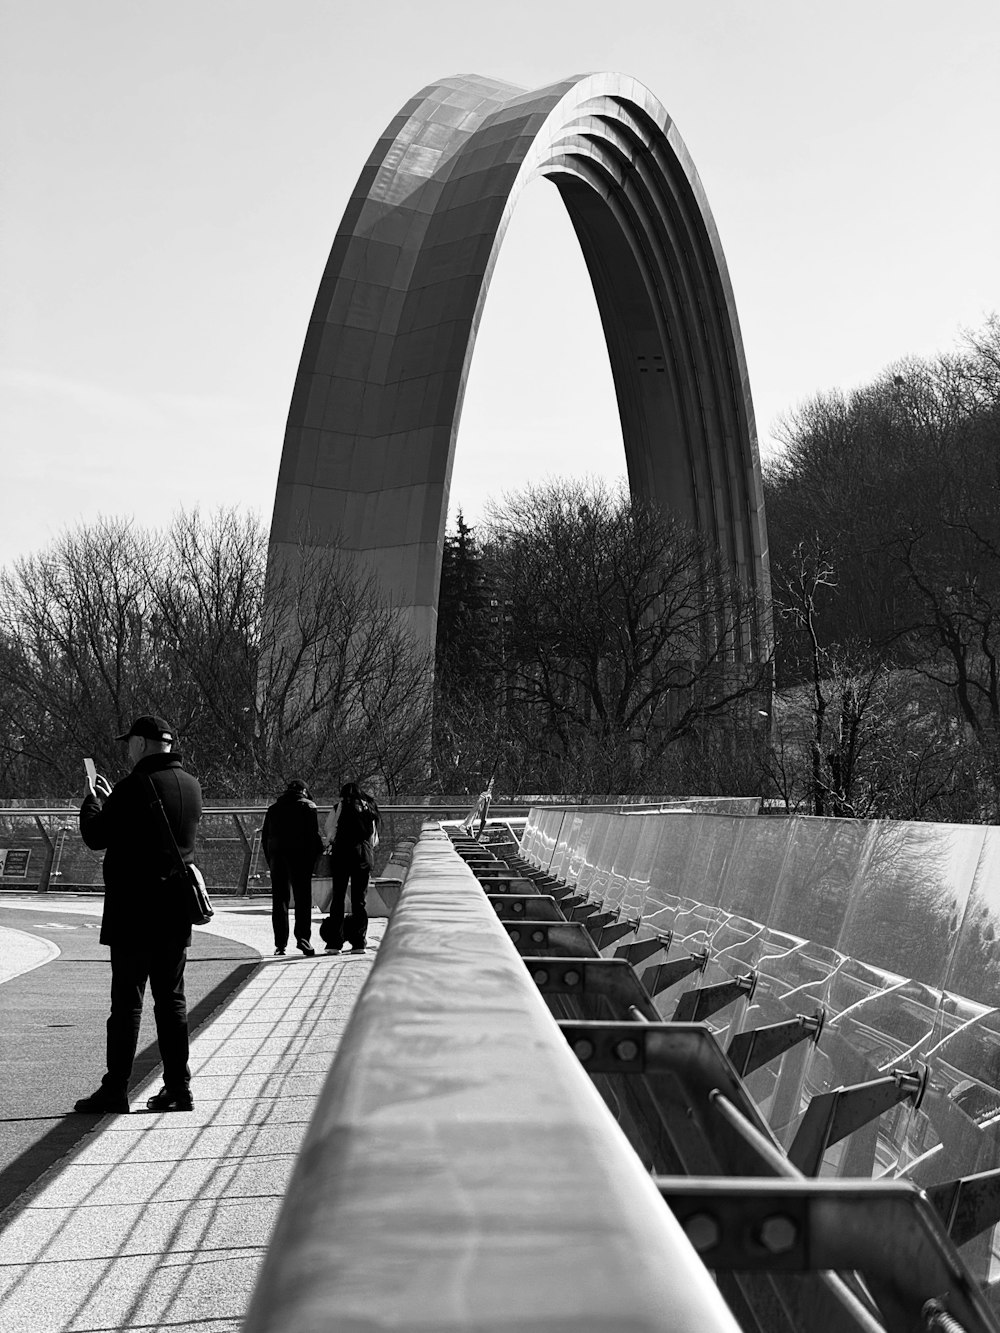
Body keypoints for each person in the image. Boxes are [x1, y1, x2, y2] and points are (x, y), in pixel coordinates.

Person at [75, 714, 202, 1114]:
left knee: (127, 1003)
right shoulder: (191, 785)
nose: (127, 748)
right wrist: (116, 801)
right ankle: (178, 1087)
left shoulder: (134, 787)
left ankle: (115, 1089)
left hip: (134, 912)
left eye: (130, 741)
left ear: (144, 743)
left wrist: (93, 799)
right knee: (171, 1001)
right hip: (174, 910)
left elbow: (97, 836)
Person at [261, 779, 324, 957]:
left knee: (280, 900)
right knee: (302, 899)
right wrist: (314, 860)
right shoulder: (308, 807)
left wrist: (270, 859)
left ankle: (280, 944)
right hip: (301, 859)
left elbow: (266, 837)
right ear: (304, 791)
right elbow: (313, 836)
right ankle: (303, 938)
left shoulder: (273, 809)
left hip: (277, 858)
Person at [321, 782, 380, 953]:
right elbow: (373, 838)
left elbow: (330, 832)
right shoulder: (369, 808)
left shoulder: (339, 807)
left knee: (338, 898)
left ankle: (334, 942)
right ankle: (358, 942)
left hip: (341, 856)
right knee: (359, 900)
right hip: (363, 856)